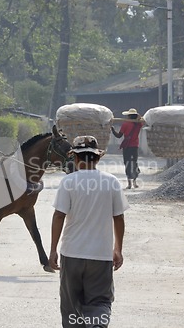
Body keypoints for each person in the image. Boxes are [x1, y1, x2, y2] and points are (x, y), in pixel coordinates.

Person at [49, 136, 128, 328]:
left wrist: (52, 250)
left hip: (72, 254)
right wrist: (118, 249)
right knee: (100, 301)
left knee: (71, 306)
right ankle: (97, 325)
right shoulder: (111, 182)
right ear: (98, 159)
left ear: (75, 159)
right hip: (100, 256)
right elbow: (118, 217)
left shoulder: (68, 182)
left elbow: (59, 216)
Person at [111, 108, 145, 189]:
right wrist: (138, 118)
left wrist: (112, 129)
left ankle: (129, 184)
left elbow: (119, 136)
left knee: (127, 164)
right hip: (135, 147)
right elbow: (143, 119)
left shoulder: (125, 124)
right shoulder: (138, 124)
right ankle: (135, 183)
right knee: (134, 163)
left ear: (129, 116)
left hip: (127, 147)